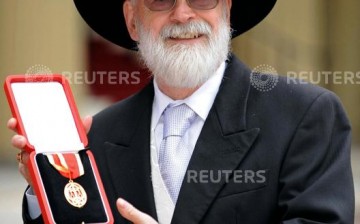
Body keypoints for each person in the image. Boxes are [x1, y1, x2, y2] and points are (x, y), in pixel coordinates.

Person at [8, 0, 355, 223]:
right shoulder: (98, 134)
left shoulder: (304, 116)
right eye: (160, 0)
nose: (183, 13)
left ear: (228, 11)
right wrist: (47, 187)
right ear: (132, 19)